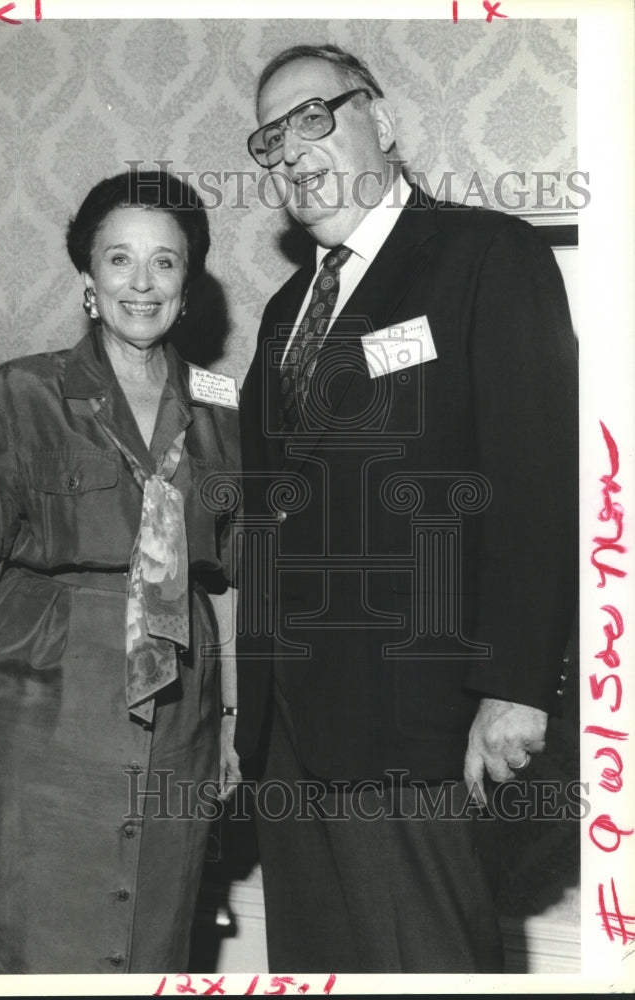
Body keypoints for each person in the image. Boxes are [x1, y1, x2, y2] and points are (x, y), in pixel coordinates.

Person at [235, 44, 577, 973]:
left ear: (380, 122)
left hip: (419, 719)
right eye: (271, 136)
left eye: (316, 116)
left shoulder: (483, 254)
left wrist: (514, 685)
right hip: (290, 734)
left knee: (423, 963)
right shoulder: (281, 314)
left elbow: (538, 478)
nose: (293, 149)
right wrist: (249, 714)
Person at [0, 169, 242, 974]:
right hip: (43, 726)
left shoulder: (222, 407)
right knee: (27, 937)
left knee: (152, 939)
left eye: (165, 263)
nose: (141, 284)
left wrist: (231, 727)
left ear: (189, 282)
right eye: (118, 260)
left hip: (182, 724)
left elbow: (225, 581)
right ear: (87, 280)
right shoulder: (17, 393)